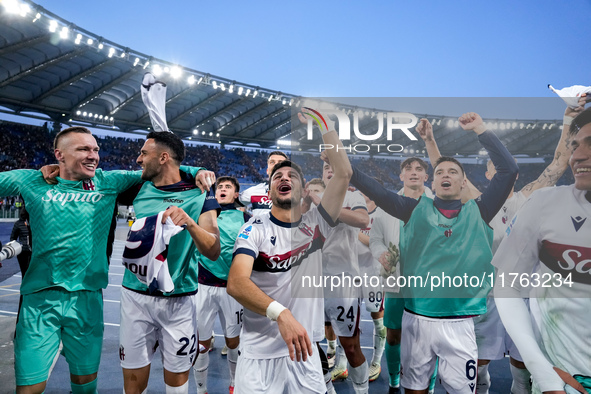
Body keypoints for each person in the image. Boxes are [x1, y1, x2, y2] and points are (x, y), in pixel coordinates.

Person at [418, 96, 585, 394]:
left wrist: (568, 119)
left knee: (524, 369)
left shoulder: (532, 197)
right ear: (487, 174)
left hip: (526, 295)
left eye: (506, 165)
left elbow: (560, 161)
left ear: (514, 172)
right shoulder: (477, 203)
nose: (502, 168)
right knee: (477, 363)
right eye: (495, 165)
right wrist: (430, 139)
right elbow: (441, 169)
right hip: (487, 295)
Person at [348, 112, 518, 394]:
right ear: (433, 182)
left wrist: (481, 130)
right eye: (440, 172)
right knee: (415, 390)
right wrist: (344, 164)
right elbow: (374, 189)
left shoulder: (481, 210)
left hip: (461, 323)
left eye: (453, 172)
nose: (445, 175)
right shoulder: (412, 208)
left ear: (464, 183)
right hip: (416, 320)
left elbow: (509, 171)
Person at [0, 126, 144, 394]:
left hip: (87, 300)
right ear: (59, 155)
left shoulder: (109, 181)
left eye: (96, 150)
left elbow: (161, 173)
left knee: (85, 387)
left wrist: (198, 173)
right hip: (39, 301)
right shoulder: (32, 180)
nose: (93, 155)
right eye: (83, 149)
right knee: (29, 388)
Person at [227, 108, 352, 394]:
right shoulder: (253, 229)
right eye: (277, 176)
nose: (285, 178)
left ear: (302, 188)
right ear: (269, 191)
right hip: (259, 354)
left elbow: (343, 173)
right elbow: (236, 283)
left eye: (292, 175)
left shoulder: (317, 223)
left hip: (305, 352)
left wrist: (325, 124)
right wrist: (281, 314)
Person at [493, 107, 591, 393]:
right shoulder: (544, 203)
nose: (578, 155)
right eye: (575, 146)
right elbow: (508, 285)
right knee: (516, 372)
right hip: (567, 379)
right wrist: (544, 373)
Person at [118, 131, 220, 394]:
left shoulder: (201, 194)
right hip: (135, 296)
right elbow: (94, 178)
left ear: (163, 158)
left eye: (143, 153)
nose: (138, 159)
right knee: (132, 380)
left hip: (180, 299)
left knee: (177, 382)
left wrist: (190, 222)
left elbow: (213, 250)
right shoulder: (137, 186)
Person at [368, 159, 436, 394]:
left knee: (429, 340)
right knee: (394, 336)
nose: (414, 173)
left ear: (427, 177)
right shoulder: (387, 205)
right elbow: (375, 238)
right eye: (408, 169)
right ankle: (394, 382)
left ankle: (430, 384)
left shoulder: (439, 205)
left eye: (419, 169)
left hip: (428, 284)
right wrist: (381, 254)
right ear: (401, 176)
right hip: (396, 282)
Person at [316, 159, 370, 394]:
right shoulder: (312, 199)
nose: (331, 170)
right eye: (326, 168)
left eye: (334, 167)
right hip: (313, 282)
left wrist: (324, 207)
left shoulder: (353, 197)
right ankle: (328, 388)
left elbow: (362, 220)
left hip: (343, 281)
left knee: (350, 345)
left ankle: (361, 391)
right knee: (311, 341)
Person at [193, 176, 250, 394]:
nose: (223, 189)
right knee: (202, 343)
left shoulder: (245, 217)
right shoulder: (203, 215)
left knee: (234, 342)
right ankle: (201, 389)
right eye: (220, 187)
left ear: (236, 194)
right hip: (203, 286)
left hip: (233, 288)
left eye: (228, 187)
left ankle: (235, 384)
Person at [239, 151, 288, 216]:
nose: (276, 165)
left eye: (281, 162)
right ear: (267, 171)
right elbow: (230, 203)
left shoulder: (298, 194)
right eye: (272, 162)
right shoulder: (254, 191)